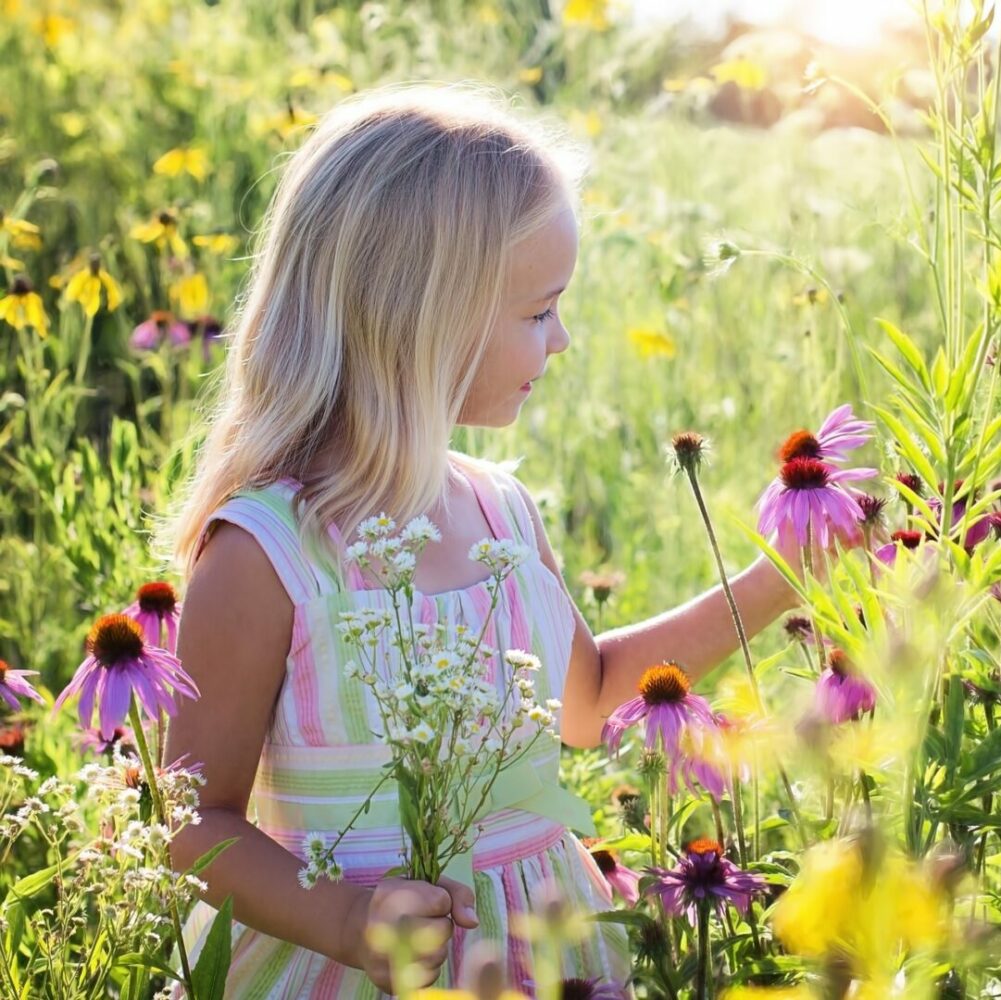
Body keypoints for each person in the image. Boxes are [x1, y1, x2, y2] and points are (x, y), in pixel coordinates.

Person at [160, 81, 802, 998]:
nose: (564, 338)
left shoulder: (502, 511)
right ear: (423, 322)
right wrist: (345, 919)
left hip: (547, 952)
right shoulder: (268, 554)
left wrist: (777, 578)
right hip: (346, 968)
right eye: (539, 311)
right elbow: (194, 824)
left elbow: (586, 703)